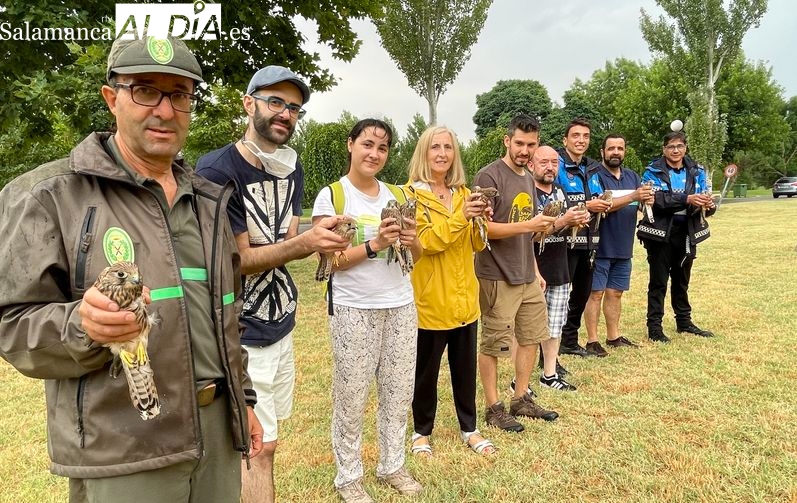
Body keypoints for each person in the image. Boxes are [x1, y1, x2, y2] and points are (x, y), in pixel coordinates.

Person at [0, 37, 263, 503]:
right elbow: (12, 323)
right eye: (145, 90)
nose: (164, 110)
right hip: (123, 449)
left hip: (218, 438)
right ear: (111, 98)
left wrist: (243, 400)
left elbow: (227, 314)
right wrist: (82, 325)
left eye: (179, 95)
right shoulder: (48, 195)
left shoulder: (209, 202)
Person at [195, 66, 351, 503]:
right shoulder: (216, 170)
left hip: (281, 322)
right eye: (275, 102)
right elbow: (235, 261)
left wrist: (322, 236)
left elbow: (285, 243)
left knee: (270, 441)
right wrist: (305, 243)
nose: (286, 113)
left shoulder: (291, 167)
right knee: (256, 448)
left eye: (294, 108)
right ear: (249, 104)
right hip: (240, 330)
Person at [312, 119, 423, 503]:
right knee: (352, 395)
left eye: (383, 147)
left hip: (400, 306)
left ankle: (393, 465)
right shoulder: (332, 196)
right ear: (351, 145)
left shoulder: (398, 194)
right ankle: (349, 477)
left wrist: (411, 239)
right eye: (367, 144)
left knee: (398, 392)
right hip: (353, 309)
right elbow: (331, 261)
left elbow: (417, 253)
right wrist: (375, 244)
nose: (375, 154)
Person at [403, 126, 496, 457]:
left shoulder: (464, 193)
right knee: (425, 373)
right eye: (435, 147)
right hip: (431, 300)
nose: (442, 153)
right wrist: (461, 216)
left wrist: (481, 221)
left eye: (448, 147)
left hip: (465, 298)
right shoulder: (410, 196)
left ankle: (469, 428)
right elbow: (426, 242)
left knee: (465, 370)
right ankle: (421, 432)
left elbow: (476, 245)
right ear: (423, 153)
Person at [473, 114, 559, 433]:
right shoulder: (489, 175)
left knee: (531, 336)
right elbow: (483, 229)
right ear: (507, 141)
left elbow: (527, 233)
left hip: (526, 275)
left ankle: (521, 398)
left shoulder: (527, 178)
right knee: (494, 343)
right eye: (519, 143)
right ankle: (493, 407)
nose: (524, 150)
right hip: (496, 274)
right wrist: (530, 225)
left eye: (531, 145)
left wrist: (535, 269)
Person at [637, 131, 716, 343]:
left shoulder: (697, 171)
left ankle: (684, 322)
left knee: (682, 280)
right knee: (658, 281)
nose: (675, 150)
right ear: (664, 149)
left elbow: (703, 199)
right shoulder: (653, 170)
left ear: (685, 148)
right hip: (660, 233)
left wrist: (709, 205)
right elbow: (657, 200)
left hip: (687, 231)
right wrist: (687, 199)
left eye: (679, 146)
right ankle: (655, 327)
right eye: (671, 146)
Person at [583, 134, 654, 353]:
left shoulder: (632, 176)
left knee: (615, 293)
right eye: (611, 148)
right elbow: (601, 205)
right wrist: (634, 196)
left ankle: (613, 336)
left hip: (624, 246)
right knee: (595, 294)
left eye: (620, 148)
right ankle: (592, 340)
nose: (616, 152)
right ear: (602, 152)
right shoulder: (595, 175)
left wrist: (647, 201)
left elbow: (639, 204)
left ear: (625, 152)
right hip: (599, 246)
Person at [529, 146, 590, 391]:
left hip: (559, 266)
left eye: (554, 163)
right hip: (532, 269)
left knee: (554, 326)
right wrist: (564, 220)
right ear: (531, 165)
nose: (550, 167)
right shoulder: (525, 191)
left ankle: (549, 374)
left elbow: (561, 228)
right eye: (544, 162)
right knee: (527, 329)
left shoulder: (560, 191)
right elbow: (529, 234)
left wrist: (576, 222)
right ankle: (520, 380)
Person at [555, 118, 612, 358]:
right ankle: (551, 346)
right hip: (562, 241)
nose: (581, 140)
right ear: (565, 140)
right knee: (559, 297)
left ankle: (569, 341)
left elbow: (599, 196)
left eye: (586, 136)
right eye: (576, 135)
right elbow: (552, 201)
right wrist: (588, 205)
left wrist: (603, 203)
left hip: (589, 241)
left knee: (581, 294)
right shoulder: (556, 165)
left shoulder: (593, 168)